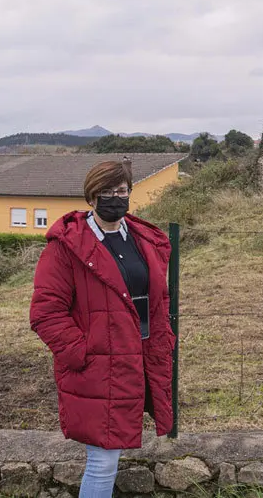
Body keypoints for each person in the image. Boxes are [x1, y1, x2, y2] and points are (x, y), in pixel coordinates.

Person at [30, 160, 177, 498]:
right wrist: (83, 352)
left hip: (140, 359)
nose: (116, 198)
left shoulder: (143, 240)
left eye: (122, 191)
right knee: (103, 459)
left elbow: (158, 298)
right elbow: (45, 313)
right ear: (91, 197)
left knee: (111, 453)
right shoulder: (67, 247)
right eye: (107, 192)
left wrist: (162, 338)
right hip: (99, 364)